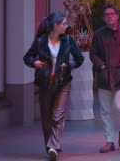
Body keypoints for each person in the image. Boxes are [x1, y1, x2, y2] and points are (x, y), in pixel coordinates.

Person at [23, 12, 84, 161]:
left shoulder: (68, 40)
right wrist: (34, 62)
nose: (66, 26)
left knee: (58, 116)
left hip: (63, 83)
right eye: (63, 24)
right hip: (45, 84)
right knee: (46, 117)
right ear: (55, 26)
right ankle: (51, 147)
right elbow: (27, 57)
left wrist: (69, 64)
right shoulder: (40, 41)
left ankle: (53, 147)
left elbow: (79, 58)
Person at [90, 4, 120, 153]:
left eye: (112, 14)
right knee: (105, 110)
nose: (109, 16)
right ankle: (109, 141)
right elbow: (93, 54)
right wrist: (102, 66)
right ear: (103, 17)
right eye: (106, 15)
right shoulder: (99, 34)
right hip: (104, 77)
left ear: (117, 16)